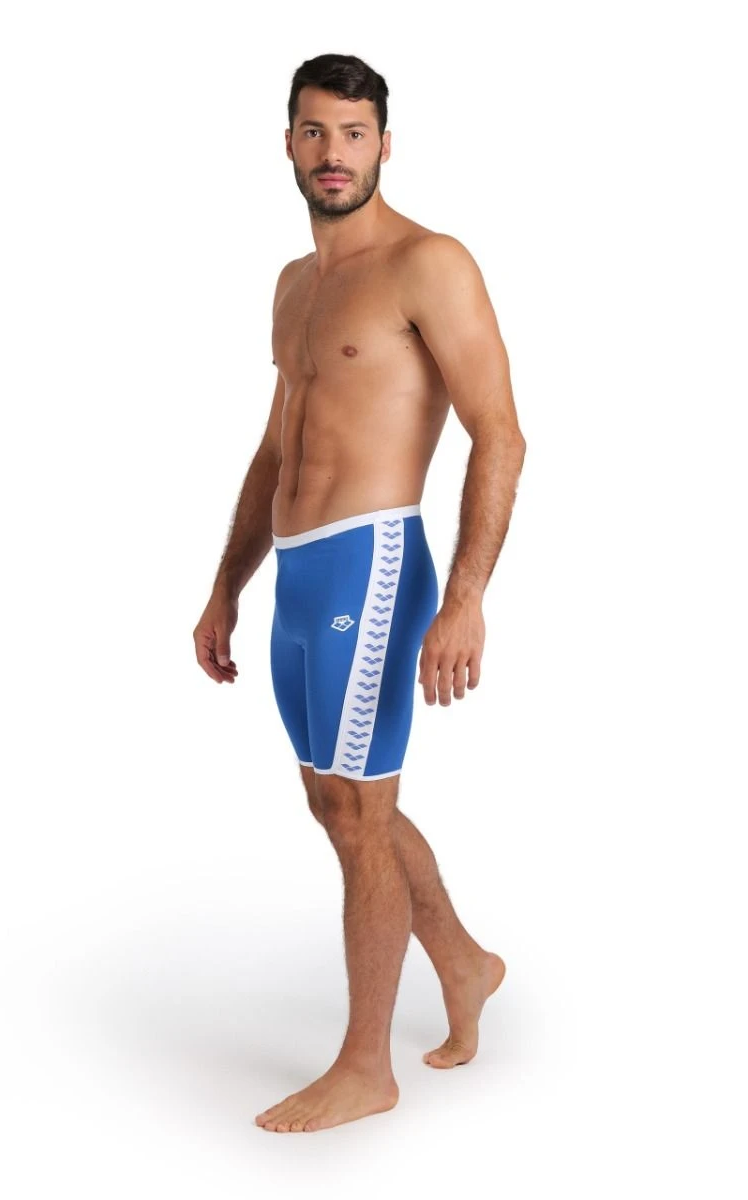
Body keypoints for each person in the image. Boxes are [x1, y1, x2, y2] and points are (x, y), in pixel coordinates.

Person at [193, 53, 526, 1134]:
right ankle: (463, 963)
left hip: (373, 561)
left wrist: (465, 598)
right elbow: (273, 450)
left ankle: (365, 1067)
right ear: (288, 144)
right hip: (297, 573)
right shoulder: (296, 285)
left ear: (386, 144)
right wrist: (225, 587)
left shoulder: (429, 263)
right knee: (341, 802)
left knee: (357, 809)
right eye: (314, 132)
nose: (332, 153)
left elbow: (500, 433)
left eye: (352, 132)